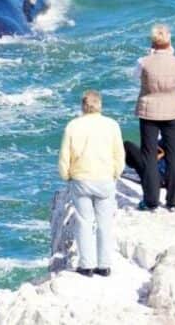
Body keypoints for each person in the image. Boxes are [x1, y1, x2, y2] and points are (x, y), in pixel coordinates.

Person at [58, 90, 124, 277]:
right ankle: (104, 265)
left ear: (83, 106)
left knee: (84, 222)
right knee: (104, 223)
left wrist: (66, 175)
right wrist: (116, 173)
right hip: (105, 179)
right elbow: (119, 154)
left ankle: (86, 265)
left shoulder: (73, 126)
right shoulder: (111, 125)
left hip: (81, 179)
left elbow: (64, 156)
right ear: (100, 105)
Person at [135, 23, 175, 212]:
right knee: (173, 154)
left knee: (149, 155)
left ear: (153, 42)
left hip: (149, 110)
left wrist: (150, 57)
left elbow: (136, 77)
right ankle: (173, 201)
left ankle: (151, 200)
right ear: (169, 41)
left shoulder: (143, 61)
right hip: (171, 109)